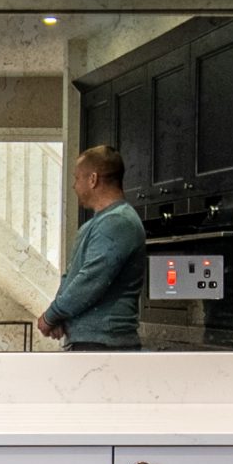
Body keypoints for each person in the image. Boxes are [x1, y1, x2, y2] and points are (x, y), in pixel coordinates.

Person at [38, 145, 147, 351]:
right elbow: (71, 277)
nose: (74, 186)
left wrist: (51, 316)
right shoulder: (96, 224)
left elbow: (90, 281)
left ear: (93, 179)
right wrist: (60, 316)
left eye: (77, 178)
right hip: (91, 342)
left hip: (106, 345)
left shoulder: (118, 222)